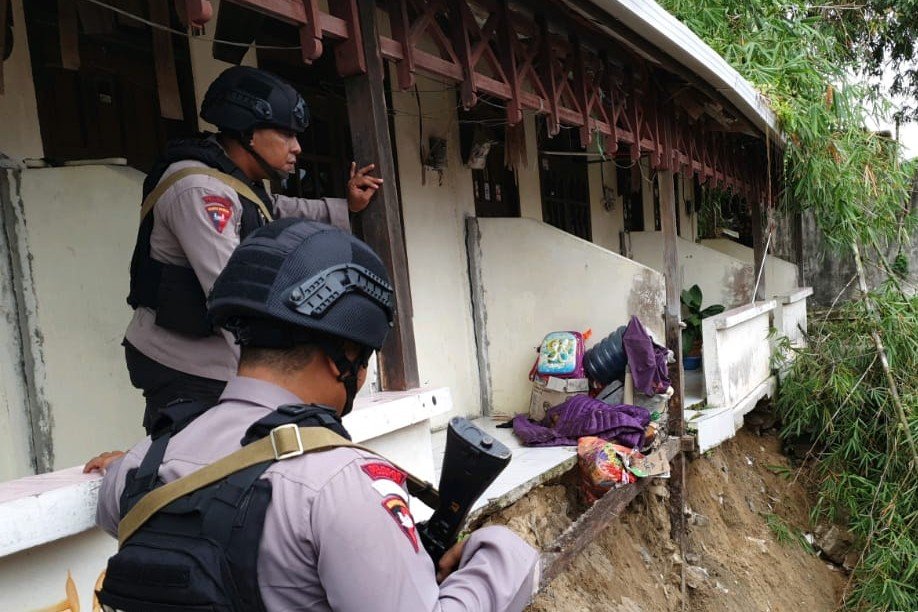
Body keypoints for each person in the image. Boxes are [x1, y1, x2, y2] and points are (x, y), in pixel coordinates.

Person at [95, 219, 540, 611]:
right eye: (364, 359)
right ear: (343, 357)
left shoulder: (139, 466)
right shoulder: (341, 484)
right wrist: (504, 552)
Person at [124, 65, 384, 433]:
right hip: (187, 366)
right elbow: (232, 290)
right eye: (286, 133)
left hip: (216, 358)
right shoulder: (201, 191)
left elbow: (274, 210)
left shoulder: (235, 181)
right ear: (248, 133)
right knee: (202, 464)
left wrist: (346, 206)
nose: (297, 147)